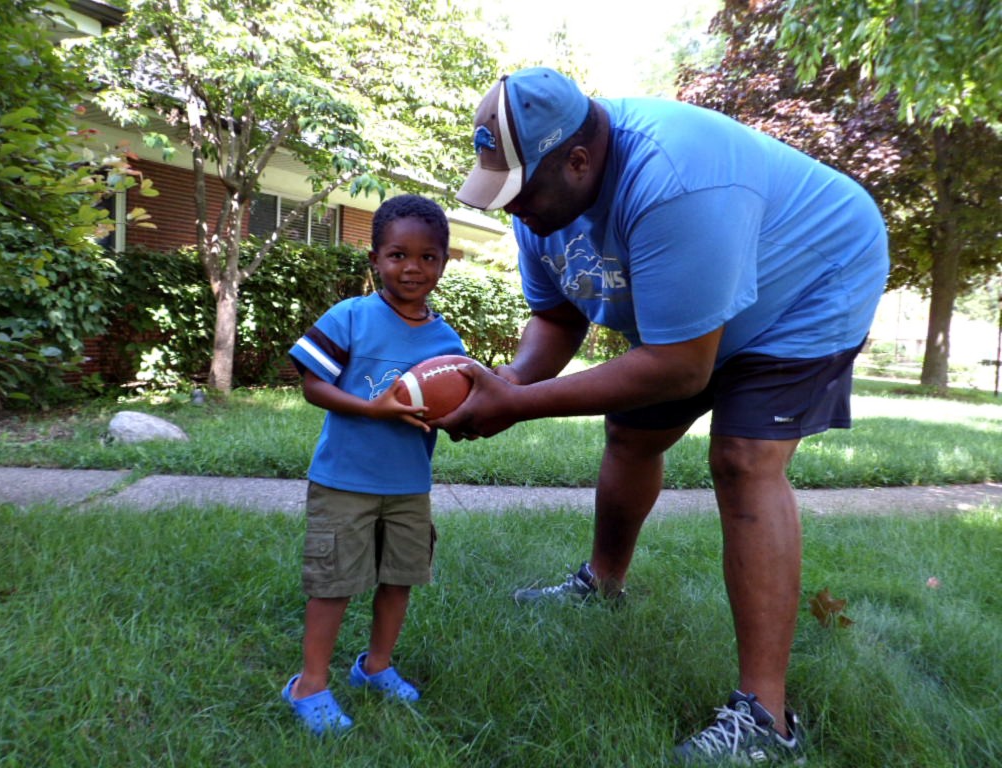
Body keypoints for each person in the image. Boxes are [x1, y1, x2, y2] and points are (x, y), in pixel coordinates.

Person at [440, 67, 888, 764]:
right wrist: (501, 385)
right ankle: (601, 585)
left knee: (742, 461)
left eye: (518, 193)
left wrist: (519, 407)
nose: (510, 210)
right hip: (701, 304)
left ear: (579, 160)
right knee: (631, 431)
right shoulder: (543, 204)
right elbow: (556, 318)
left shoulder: (676, 179)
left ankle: (766, 720)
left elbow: (682, 366)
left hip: (813, 279)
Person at [281, 194, 465, 736]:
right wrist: (373, 406)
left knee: (399, 578)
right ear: (375, 259)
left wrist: (464, 415)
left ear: (445, 263)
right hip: (344, 481)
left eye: (428, 257)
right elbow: (313, 385)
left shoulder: (446, 340)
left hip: (409, 485)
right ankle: (309, 684)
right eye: (397, 255)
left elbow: (448, 404)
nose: (412, 267)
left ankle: (375, 666)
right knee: (333, 583)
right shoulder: (352, 317)